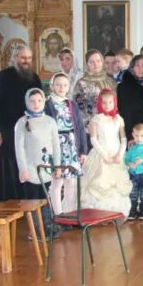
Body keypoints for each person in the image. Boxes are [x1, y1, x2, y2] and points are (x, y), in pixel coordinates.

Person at [0, 46, 43, 202]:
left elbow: (39, 103)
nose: (26, 61)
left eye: (29, 58)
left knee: (27, 162)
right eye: (22, 57)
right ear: (14, 59)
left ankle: (28, 200)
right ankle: (9, 202)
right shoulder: (2, 77)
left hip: (28, 129)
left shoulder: (34, 78)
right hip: (7, 129)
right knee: (9, 164)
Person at [80, 89, 133, 218]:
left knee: (116, 184)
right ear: (100, 103)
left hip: (116, 155)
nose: (107, 105)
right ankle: (99, 213)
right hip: (101, 155)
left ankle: (115, 212)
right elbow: (93, 139)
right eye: (104, 103)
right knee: (100, 182)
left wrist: (120, 155)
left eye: (110, 102)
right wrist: (105, 156)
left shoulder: (119, 119)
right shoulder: (96, 119)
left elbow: (123, 139)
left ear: (114, 103)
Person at [45, 73, 88, 215]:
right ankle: (57, 214)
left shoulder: (71, 104)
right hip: (56, 147)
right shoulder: (47, 104)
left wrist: (83, 150)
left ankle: (69, 212)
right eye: (58, 84)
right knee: (57, 182)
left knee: (71, 181)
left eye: (64, 84)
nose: (61, 87)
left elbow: (80, 127)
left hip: (71, 146)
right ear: (52, 86)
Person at [15, 88, 61, 200]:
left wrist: (57, 166)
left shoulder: (50, 121)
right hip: (30, 169)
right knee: (32, 202)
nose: (36, 104)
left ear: (44, 101)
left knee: (48, 201)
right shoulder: (22, 122)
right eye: (32, 101)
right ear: (27, 102)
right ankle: (34, 218)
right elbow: (19, 148)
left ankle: (48, 218)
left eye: (39, 100)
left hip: (48, 168)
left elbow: (56, 145)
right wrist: (23, 169)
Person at [74, 49, 117, 130]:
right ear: (87, 64)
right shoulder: (81, 83)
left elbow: (116, 104)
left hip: (111, 126)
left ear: (102, 62)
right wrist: (89, 125)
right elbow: (78, 108)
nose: (95, 64)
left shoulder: (111, 81)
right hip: (91, 127)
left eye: (98, 61)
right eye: (91, 62)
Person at [117, 54, 143, 139]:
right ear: (132, 67)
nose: (140, 69)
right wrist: (130, 136)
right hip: (134, 132)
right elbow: (124, 113)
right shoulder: (124, 86)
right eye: (137, 66)